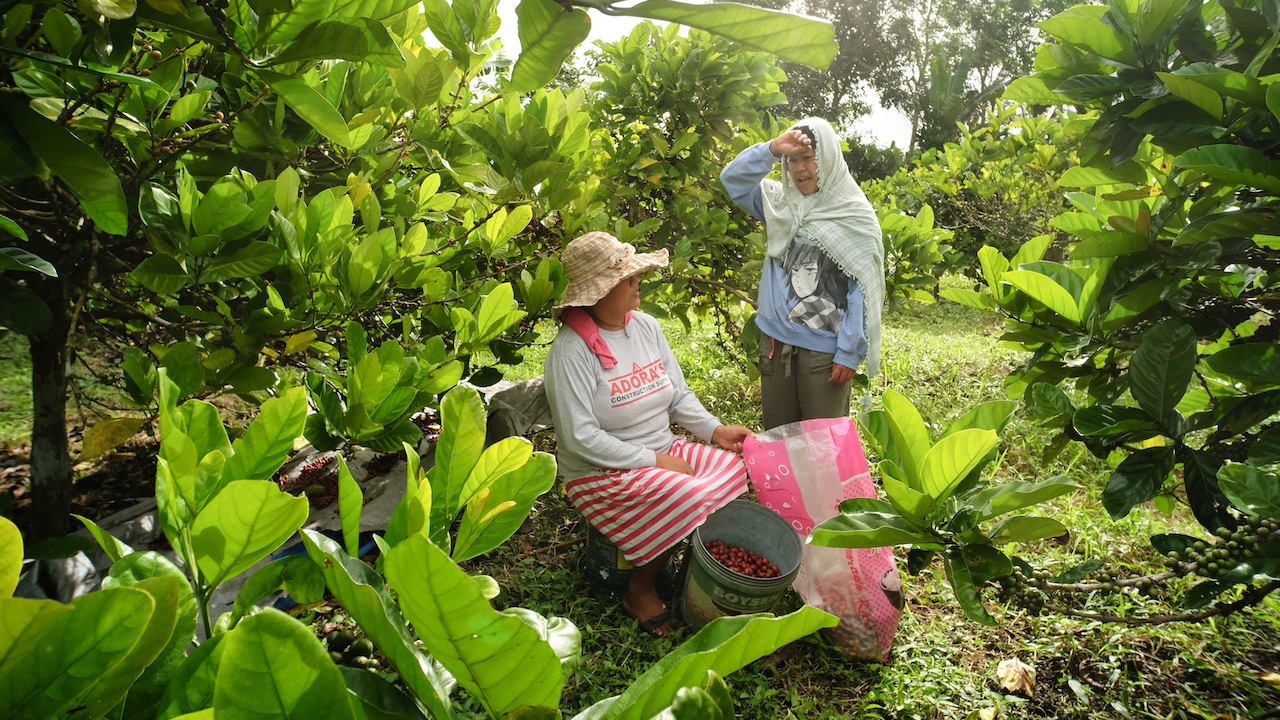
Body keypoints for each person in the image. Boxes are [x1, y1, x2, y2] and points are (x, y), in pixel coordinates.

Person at [543, 231, 753, 636]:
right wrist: (655, 461)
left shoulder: (646, 328)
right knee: (687, 493)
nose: (636, 282)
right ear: (597, 294)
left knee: (732, 472)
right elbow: (579, 438)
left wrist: (715, 430)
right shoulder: (570, 352)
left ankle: (686, 572)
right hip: (599, 471)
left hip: (659, 449)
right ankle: (638, 590)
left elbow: (676, 395)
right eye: (626, 278)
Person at [720, 117, 884, 430]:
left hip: (824, 353)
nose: (799, 169)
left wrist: (849, 351)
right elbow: (732, 180)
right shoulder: (778, 201)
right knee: (780, 441)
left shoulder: (853, 213)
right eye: (791, 160)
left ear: (828, 158)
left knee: (824, 446)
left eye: (808, 158)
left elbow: (861, 285)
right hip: (774, 345)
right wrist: (771, 149)